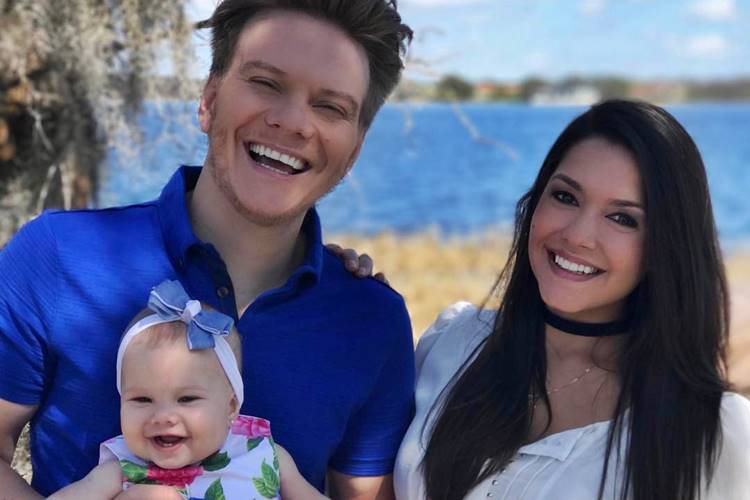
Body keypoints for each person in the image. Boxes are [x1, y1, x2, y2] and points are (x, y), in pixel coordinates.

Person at [0, 1, 415, 498]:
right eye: (266, 82)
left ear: (354, 151)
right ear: (209, 100)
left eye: (330, 107)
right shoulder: (56, 256)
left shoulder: (372, 319)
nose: (293, 122)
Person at [336, 100, 750, 499]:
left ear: (666, 245)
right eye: (566, 197)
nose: (577, 236)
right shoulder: (454, 343)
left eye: (622, 218)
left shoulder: (715, 433)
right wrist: (331, 290)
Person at [49, 280, 283, 499]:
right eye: (142, 399)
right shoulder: (119, 471)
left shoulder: (263, 453)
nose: (163, 416)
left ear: (230, 406)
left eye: (186, 398)